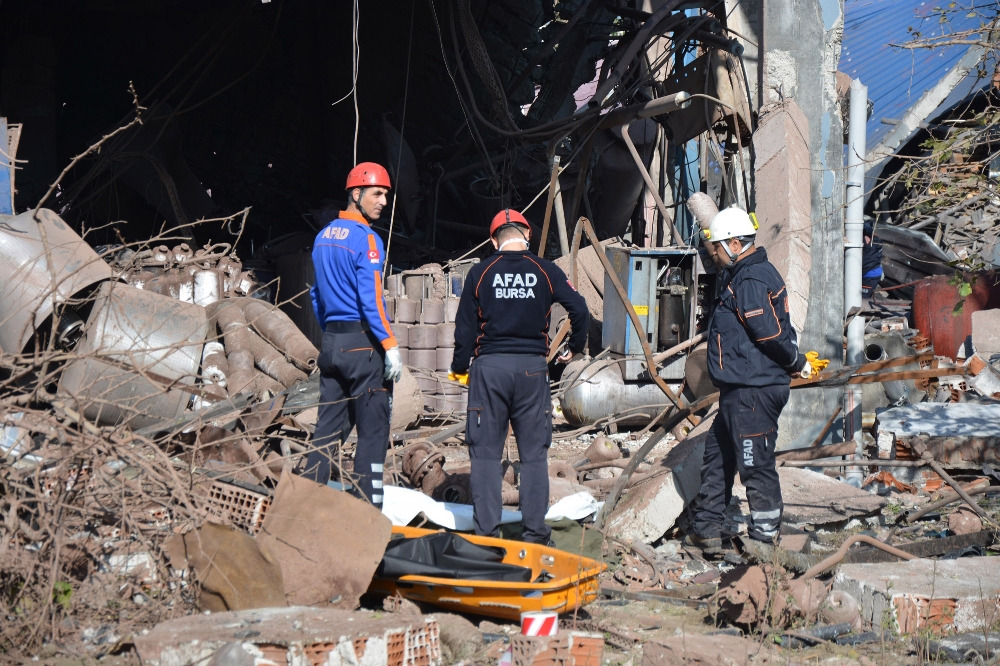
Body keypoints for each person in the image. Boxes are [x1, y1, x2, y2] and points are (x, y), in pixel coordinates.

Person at [449, 209, 589, 544]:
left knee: (484, 455)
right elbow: (580, 308)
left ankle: (486, 540)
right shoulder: (546, 270)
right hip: (532, 371)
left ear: (493, 239)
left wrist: (458, 369)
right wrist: (574, 348)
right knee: (534, 456)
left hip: (489, 371)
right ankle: (535, 537)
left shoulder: (480, 273)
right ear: (526, 234)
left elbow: (465, 329)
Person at [686, 205, 820, 554]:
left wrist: (797, 361)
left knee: (754, 463)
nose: (712, 254)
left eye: (715, 247)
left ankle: (765, 540)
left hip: (754, 391)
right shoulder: (744, 275)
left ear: (732, 243)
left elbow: (769, 334)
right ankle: (707, 530)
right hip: (739, 389)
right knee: (718, 459)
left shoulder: (751, 279)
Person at [305, 162, 403, 509]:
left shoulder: (322, 237)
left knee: (325, 435)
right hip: (364, 347)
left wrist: (332, 334)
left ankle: (302, 508)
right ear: (355, 194)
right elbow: (372, 300)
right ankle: (367, 518)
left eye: (387, 195)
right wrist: (389, 346)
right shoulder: (367, 240)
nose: (384, 202)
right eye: (377, 193)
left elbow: (316, 296)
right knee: (373, 436)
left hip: (332, 344)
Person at [861, 218, 883, 299]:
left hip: (869, 275)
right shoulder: (877, 239)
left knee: (862, 299)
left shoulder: (864, 243)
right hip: (876, 272)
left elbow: (866, 263)